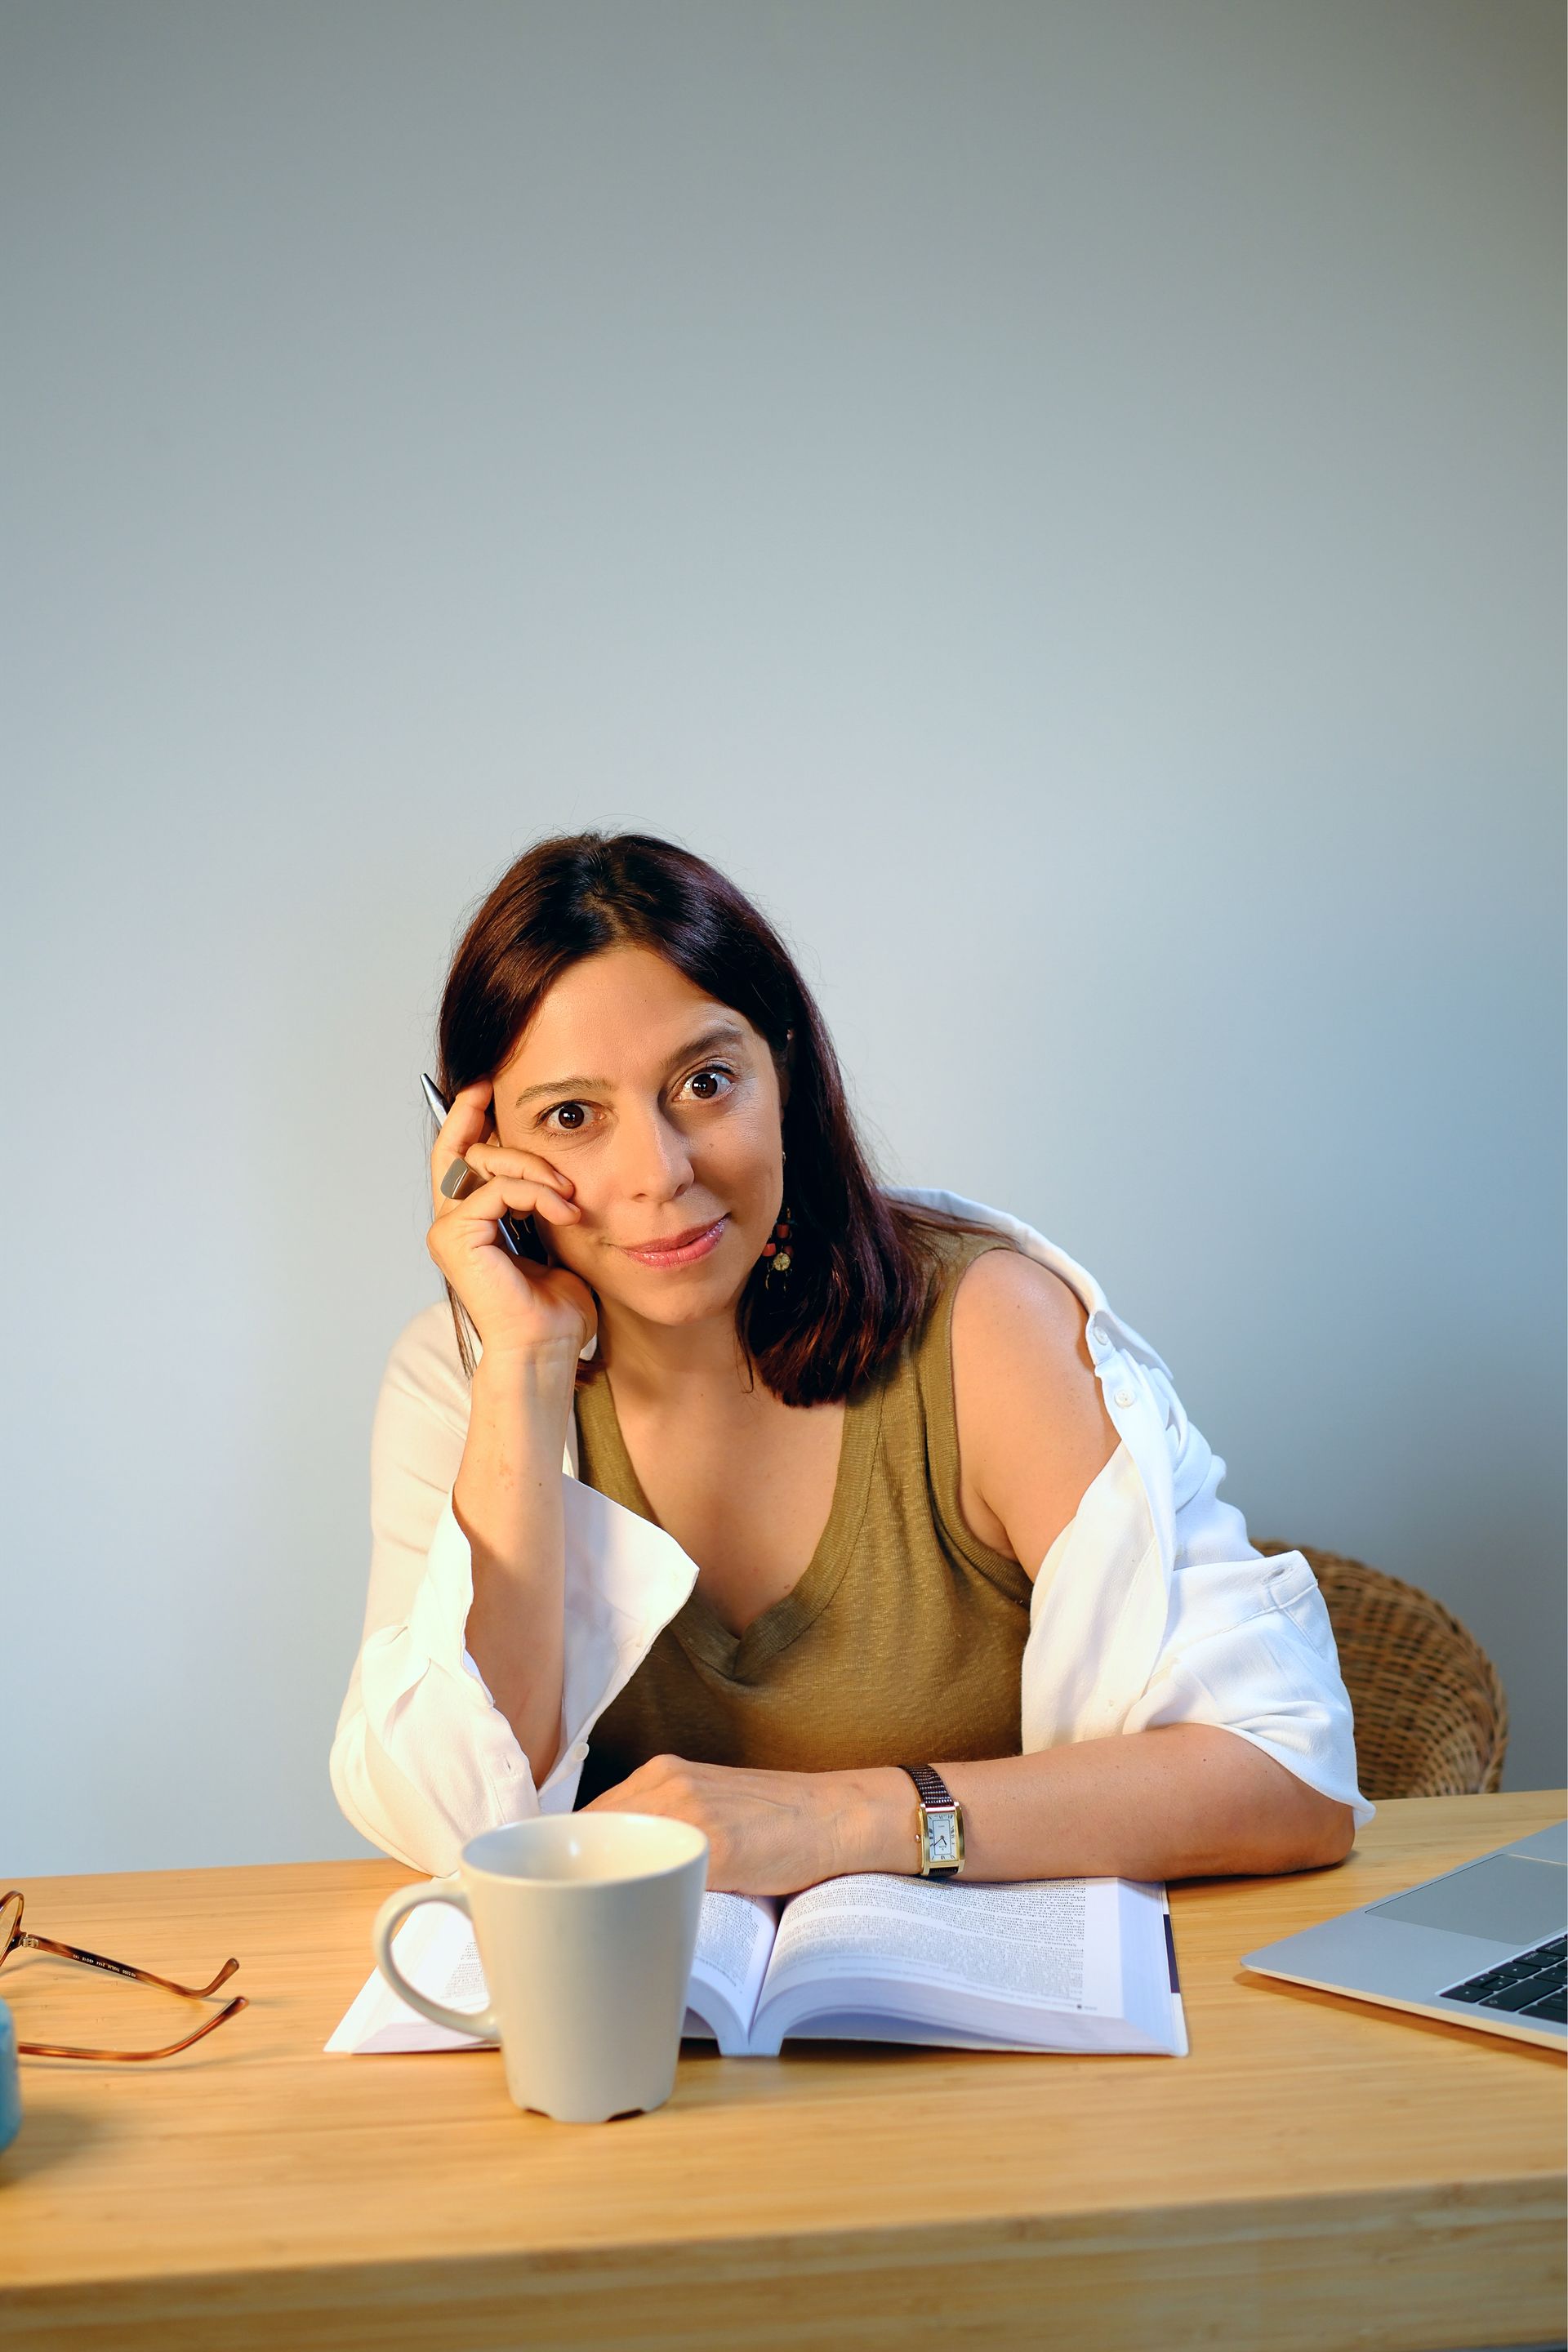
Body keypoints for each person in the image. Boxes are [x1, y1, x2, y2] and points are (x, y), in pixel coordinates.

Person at [331, 831, 1370, 1891]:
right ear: (478, 1147)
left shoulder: (989, 1329)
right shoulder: (468, 1379)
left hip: (989, 1994)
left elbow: (1290, 1778)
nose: (659, 1170)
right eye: (570, 1116)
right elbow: (465, 1824)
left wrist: (846, 1820)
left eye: (704, 1082)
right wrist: (525, 1364)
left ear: (783, 1072)